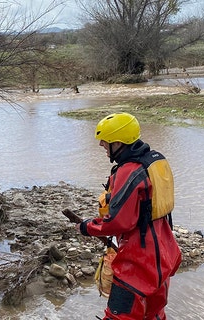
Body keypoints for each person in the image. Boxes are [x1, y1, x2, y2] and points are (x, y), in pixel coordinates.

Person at [76, 112, 182, 319]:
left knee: (118, 315)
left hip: (137, 262)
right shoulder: (155, 161)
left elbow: (118, 222)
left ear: (118, 142)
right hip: (163, 253)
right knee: (154, 314)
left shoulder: (129, 170)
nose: (101, 146)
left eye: (105, 142)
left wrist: (88, 227)